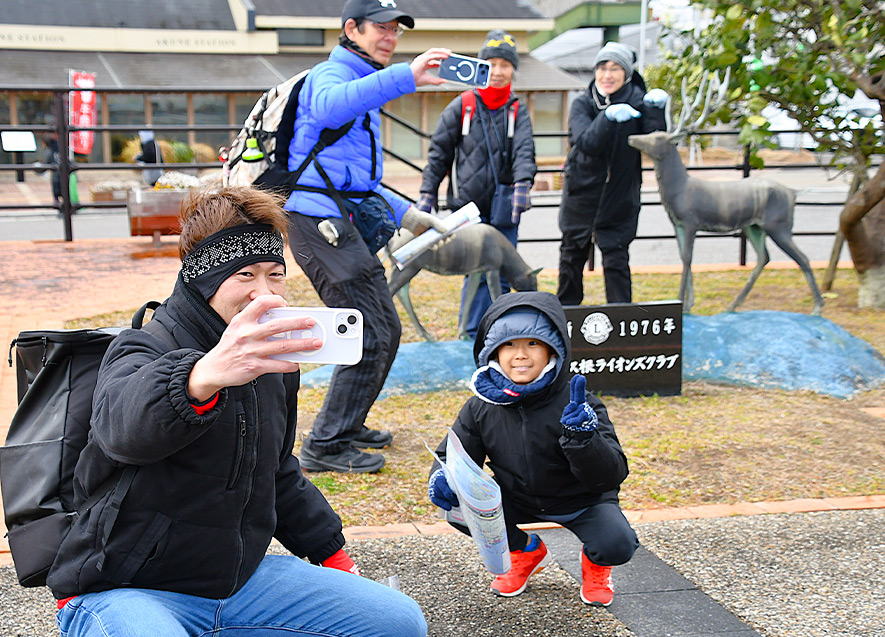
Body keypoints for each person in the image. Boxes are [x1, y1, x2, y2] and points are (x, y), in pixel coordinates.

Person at [48, 186, 428, 637]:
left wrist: (333, 554)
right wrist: (203, 376)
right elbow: (121, 429)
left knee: (398, 622)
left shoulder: (273, 363)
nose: (264, 294)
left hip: (236, 584)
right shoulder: (144, 346)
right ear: (203, 278)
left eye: (275, 275)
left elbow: (277, 470)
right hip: (125, 587)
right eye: (244, 274)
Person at [285, 0, 451, 473]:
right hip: (318, 222)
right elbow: (328, 106)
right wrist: (407, 76)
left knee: (382, 328)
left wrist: (412, 216)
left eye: (396, 30)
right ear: (351, 29)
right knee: (372, 330)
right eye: (381, 28)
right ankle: (325, 444)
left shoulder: (362, 84)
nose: (390, 38)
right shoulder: (331, 76)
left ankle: (347, 422)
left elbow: (359, 182)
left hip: (337, 219)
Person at [427, 291, 636, 606]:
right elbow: (453, 455)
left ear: (554, 349)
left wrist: (583, 438)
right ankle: (525, 551)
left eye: (533, 343)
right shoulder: (481, 405)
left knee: (617, 543)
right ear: (492, 350)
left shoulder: (580, 403)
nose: (521, 355)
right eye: (509, 344)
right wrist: (442, 476)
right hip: (517, 496)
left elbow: (611, 475)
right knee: (458, 510)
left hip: (581, 501)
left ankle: (596, 565)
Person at [416, 29, 537, 339]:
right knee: (475, 271)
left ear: (513, 70)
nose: (497, 71)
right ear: (480, 66)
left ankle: (501, 330)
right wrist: (428, 193)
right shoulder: (463, 104)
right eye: (491, 64)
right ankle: (471, 331)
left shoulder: (517, 110)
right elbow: (439, 153)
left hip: (504, 207)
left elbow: (524, 151)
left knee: (504, 270)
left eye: (505, 65)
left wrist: (523, 184)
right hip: (467, 208)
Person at [557, 42, 668, 305]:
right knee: (571, 257)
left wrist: (655, 111)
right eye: (602, 68)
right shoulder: (583, 103)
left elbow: (655, 142)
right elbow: (585, 143)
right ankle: (565, 314)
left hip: (620, 196)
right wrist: (606, 118)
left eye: (615, 68)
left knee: (617, 261)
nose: (607, 75)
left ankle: (621, 319)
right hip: (581, 195)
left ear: (627, 73)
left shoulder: (638, 101)